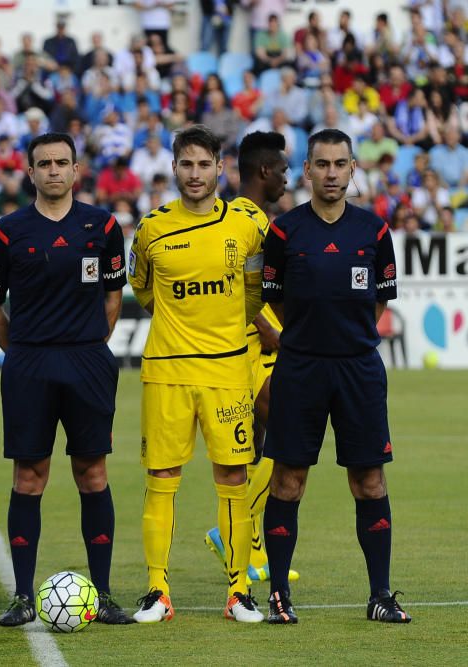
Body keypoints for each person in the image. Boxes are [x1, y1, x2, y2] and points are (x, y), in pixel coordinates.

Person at [0, 132, 132, 627]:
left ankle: (104, 594)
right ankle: (23, 597)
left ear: (75, 168)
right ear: (30, 171)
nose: (53, 171)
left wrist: (88, 345)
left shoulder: (102, 226)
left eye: (61, 162)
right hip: (30, 365)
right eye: (43, 163)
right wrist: (23, 351)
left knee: (92, 473)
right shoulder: (7, 231)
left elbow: (113, 298)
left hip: (87, 362)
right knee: (30, 476)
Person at [260, 129, 410, 625]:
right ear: (306, 170)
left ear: (352, 170)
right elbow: (275, 298)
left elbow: (377, 305)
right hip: (300, 368)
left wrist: (343, 341)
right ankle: (279, 594)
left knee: (369, 479)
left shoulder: (375, 232)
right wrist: (306, 339)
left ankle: (380, 595)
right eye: (321, 164)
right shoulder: (284, 232)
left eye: (339, 164)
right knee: (289, 478)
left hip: (359, 369)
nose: (330, 173)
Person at [127, 124, 267, 624]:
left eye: (203, 164)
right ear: (173, 168)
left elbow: (256, 292)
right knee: (162, 476)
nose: (194, 173)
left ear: (219, 168)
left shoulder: (247, 225)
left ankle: (238, 593)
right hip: (166, 370)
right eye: (185, 164)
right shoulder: (151, 228)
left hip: (228, 369)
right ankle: (157, 591)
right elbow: (143, 290)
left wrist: (226, 329)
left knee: (233, 475)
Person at [202, 131, 300, 585]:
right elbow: (242, 286)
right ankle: (230, 535)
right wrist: (274, 332)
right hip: (243, 347)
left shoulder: (252, 216)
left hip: (250, 348)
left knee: (259, 445)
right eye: (282, 169)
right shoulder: (247, 219)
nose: (286, 177)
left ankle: (250, 547)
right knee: (286, 433)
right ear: (264, 171)